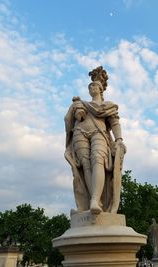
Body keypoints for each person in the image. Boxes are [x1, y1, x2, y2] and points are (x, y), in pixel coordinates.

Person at [64, 66, 126, 214]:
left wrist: (118, 139)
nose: (91, 87)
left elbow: (115, 123)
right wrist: (75, 109)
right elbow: (71, 121)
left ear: (100, 89)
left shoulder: (107, 106)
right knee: (85, 165)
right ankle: (94, 201)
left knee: (98, 160)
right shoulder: (81, 103)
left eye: (94, 85)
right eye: (90, 86)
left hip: (99, 133)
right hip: (79, 133)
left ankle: (94, 200)